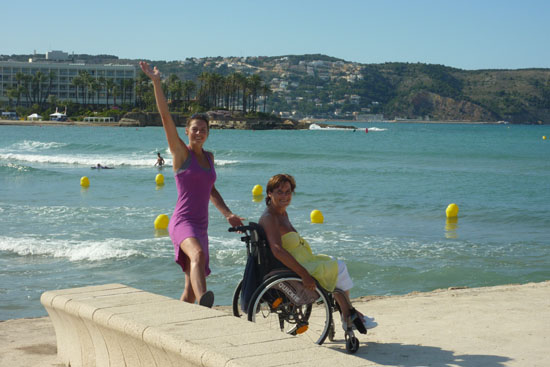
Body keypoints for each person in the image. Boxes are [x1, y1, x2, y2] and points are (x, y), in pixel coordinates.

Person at [140, 61, 244, 307]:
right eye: (195, 129)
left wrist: (228, 213)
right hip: (182, 222)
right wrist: (156, 83)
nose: (199, 133)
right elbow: (165, 117)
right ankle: (205, 303)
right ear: (186, 131)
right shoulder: (180, 153)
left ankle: (176, 325)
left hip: (202, 225)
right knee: (196, 255)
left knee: (187, 291)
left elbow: (211, 189)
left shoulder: (209, 158)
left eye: (204, 130)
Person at [259, 173, 377, 331]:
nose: (285, 196)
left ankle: (347, 312)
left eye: (288, 192)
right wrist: (304, 274)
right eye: (279, 192)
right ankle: (347, 314)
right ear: (269, 193)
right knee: (339, 268)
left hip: (304, 259)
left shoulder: (282, 213)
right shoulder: (270, 217)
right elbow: (277, 250)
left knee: (334, 262)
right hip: (297, 266)